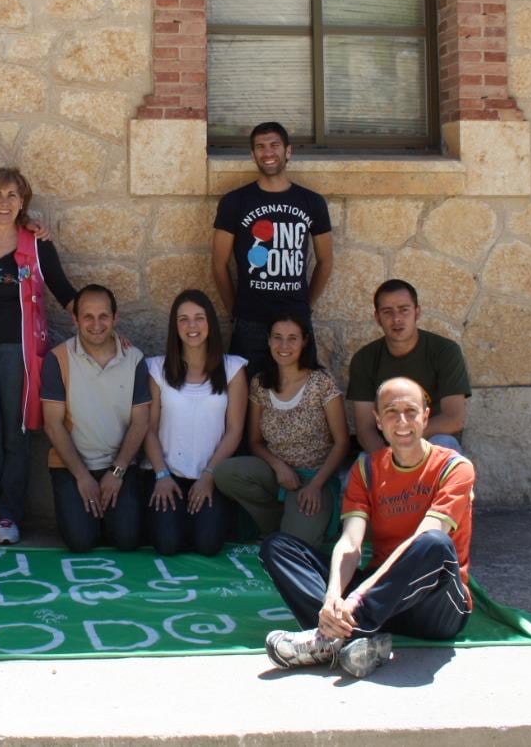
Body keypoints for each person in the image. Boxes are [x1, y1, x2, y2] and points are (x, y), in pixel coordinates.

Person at [259, 377, 475, 679]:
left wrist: (356, 597)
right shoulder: (367, 468)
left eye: (411, 411)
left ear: (426, 416)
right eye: (390, 412)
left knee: (434, 543)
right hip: (382, 600)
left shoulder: (455, 467)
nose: (402, 421)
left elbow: (422, 538)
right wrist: (333, 595)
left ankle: (331, 637)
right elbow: (351, 542)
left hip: (434, 605)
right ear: (377, 420)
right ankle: (357, 638)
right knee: (278, 547)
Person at [0, 167, 77, 546]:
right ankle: (5, 499)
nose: (4, 202)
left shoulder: (37, 244)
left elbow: (64, 291)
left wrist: (97, 325)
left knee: (16, 433)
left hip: (18, 353)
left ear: (23, 202)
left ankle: (7, 515)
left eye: (12, 195)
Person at [214, 314, 350, 547]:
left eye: (292, 338)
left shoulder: (321, 383)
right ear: (268, 341)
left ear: (304, 341)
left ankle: (297, 522)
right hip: (277, 475)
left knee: (295, 546)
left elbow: (342, 442)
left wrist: (317, 485)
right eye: (277, 337)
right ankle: (277, 520)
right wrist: (278, 466)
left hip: (314, 479)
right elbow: (255, 441)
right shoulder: (260, 383)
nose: (284, 346)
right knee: (226, 472)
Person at [210, 121, 334, 370]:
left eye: (275, 145)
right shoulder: (234, 202)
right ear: (252, 154)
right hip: (250, 321)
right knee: (245, 395)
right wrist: (234, 310)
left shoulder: (312, 202)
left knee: (300, 395)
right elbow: (218, 263)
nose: (268, 153)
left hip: (296, 321)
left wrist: (306, 305)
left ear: (288, 151)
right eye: (260, 147)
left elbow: (326, 261)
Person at [40, 284, 151, 553]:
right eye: (88, 316)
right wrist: (82, 476)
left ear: (115, 318)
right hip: (72, 467)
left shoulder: (134, 359)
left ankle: (110, 515)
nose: (96, 324)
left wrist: (117, 471)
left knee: (127, 541)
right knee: (81, 542)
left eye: (104, 316)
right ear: (75, 319)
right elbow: (52, 425)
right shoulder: (57, 359)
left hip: (119, 467)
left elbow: (141, 422)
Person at [142, 289, 247, 556]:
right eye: (183, 319)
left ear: (210, 322)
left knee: (208, 545)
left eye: (199, 318)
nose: (192, 326)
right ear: (174, 326)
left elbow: (235, 429)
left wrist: (210, 475)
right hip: (169, 475)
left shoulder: (233, 369)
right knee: (167, 545)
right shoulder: (157, 369)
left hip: (211, 475)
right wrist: (161, 474)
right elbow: (149, 429)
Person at [346, 279, 471, 454]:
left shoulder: (445, 351)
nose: (396, 319)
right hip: (385, 447)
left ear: (417, 312)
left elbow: (454, 418)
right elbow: (365, 430)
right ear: (377, 317)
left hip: (431, 441)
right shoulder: (364, 359)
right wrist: (388, 459)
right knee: (354, 476)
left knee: (444, 444)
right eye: (387, 312)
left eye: (404, 310)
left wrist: (405, 438)